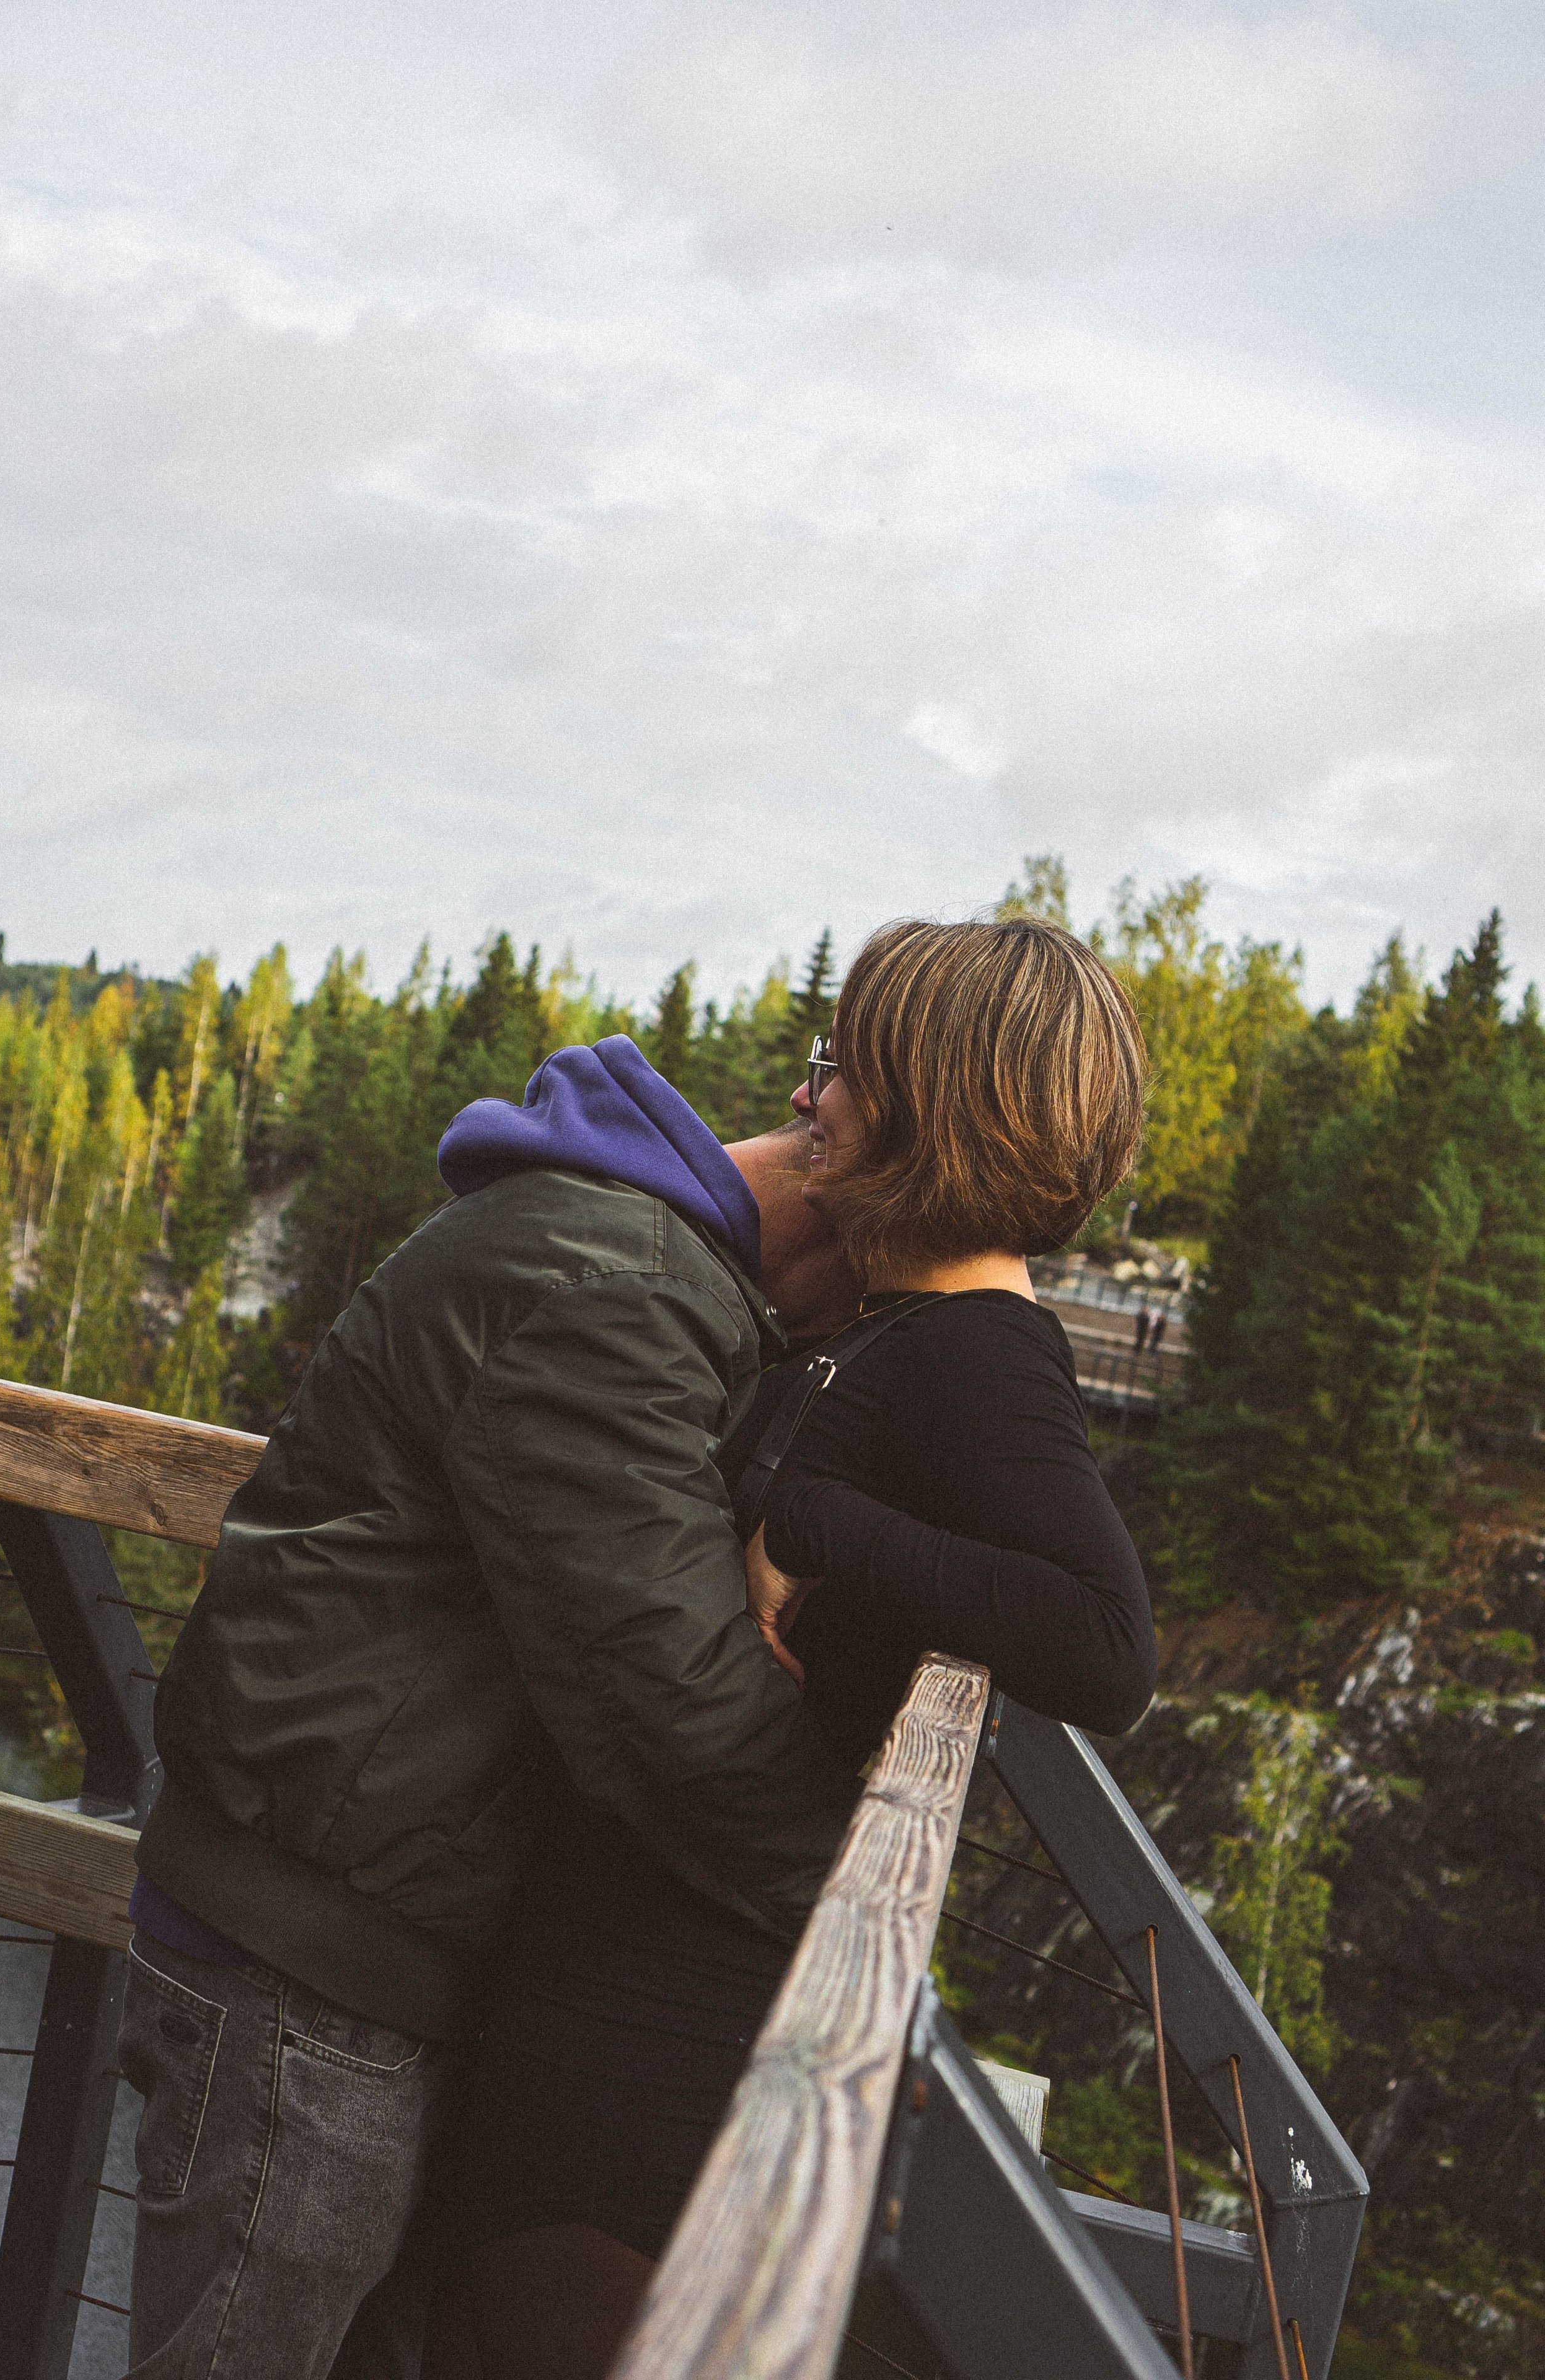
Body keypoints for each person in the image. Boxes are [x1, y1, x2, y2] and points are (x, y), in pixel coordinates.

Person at [425, 914, 1158, 2380]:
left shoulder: (978, 1352)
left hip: (659, 2034)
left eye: (843, 1067)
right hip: (616, 1970)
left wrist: (817, 1521)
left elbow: (1101, 1644)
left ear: (933, 1106)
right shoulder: (895, 1328)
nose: (808, 1094)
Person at [115, 1033, 869, 2380]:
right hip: (312, 1954)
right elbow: (667, 1698)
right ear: (852, 1191)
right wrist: (854, 1909)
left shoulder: (627, 1264)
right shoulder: (610, 1293)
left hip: (341, 1920)